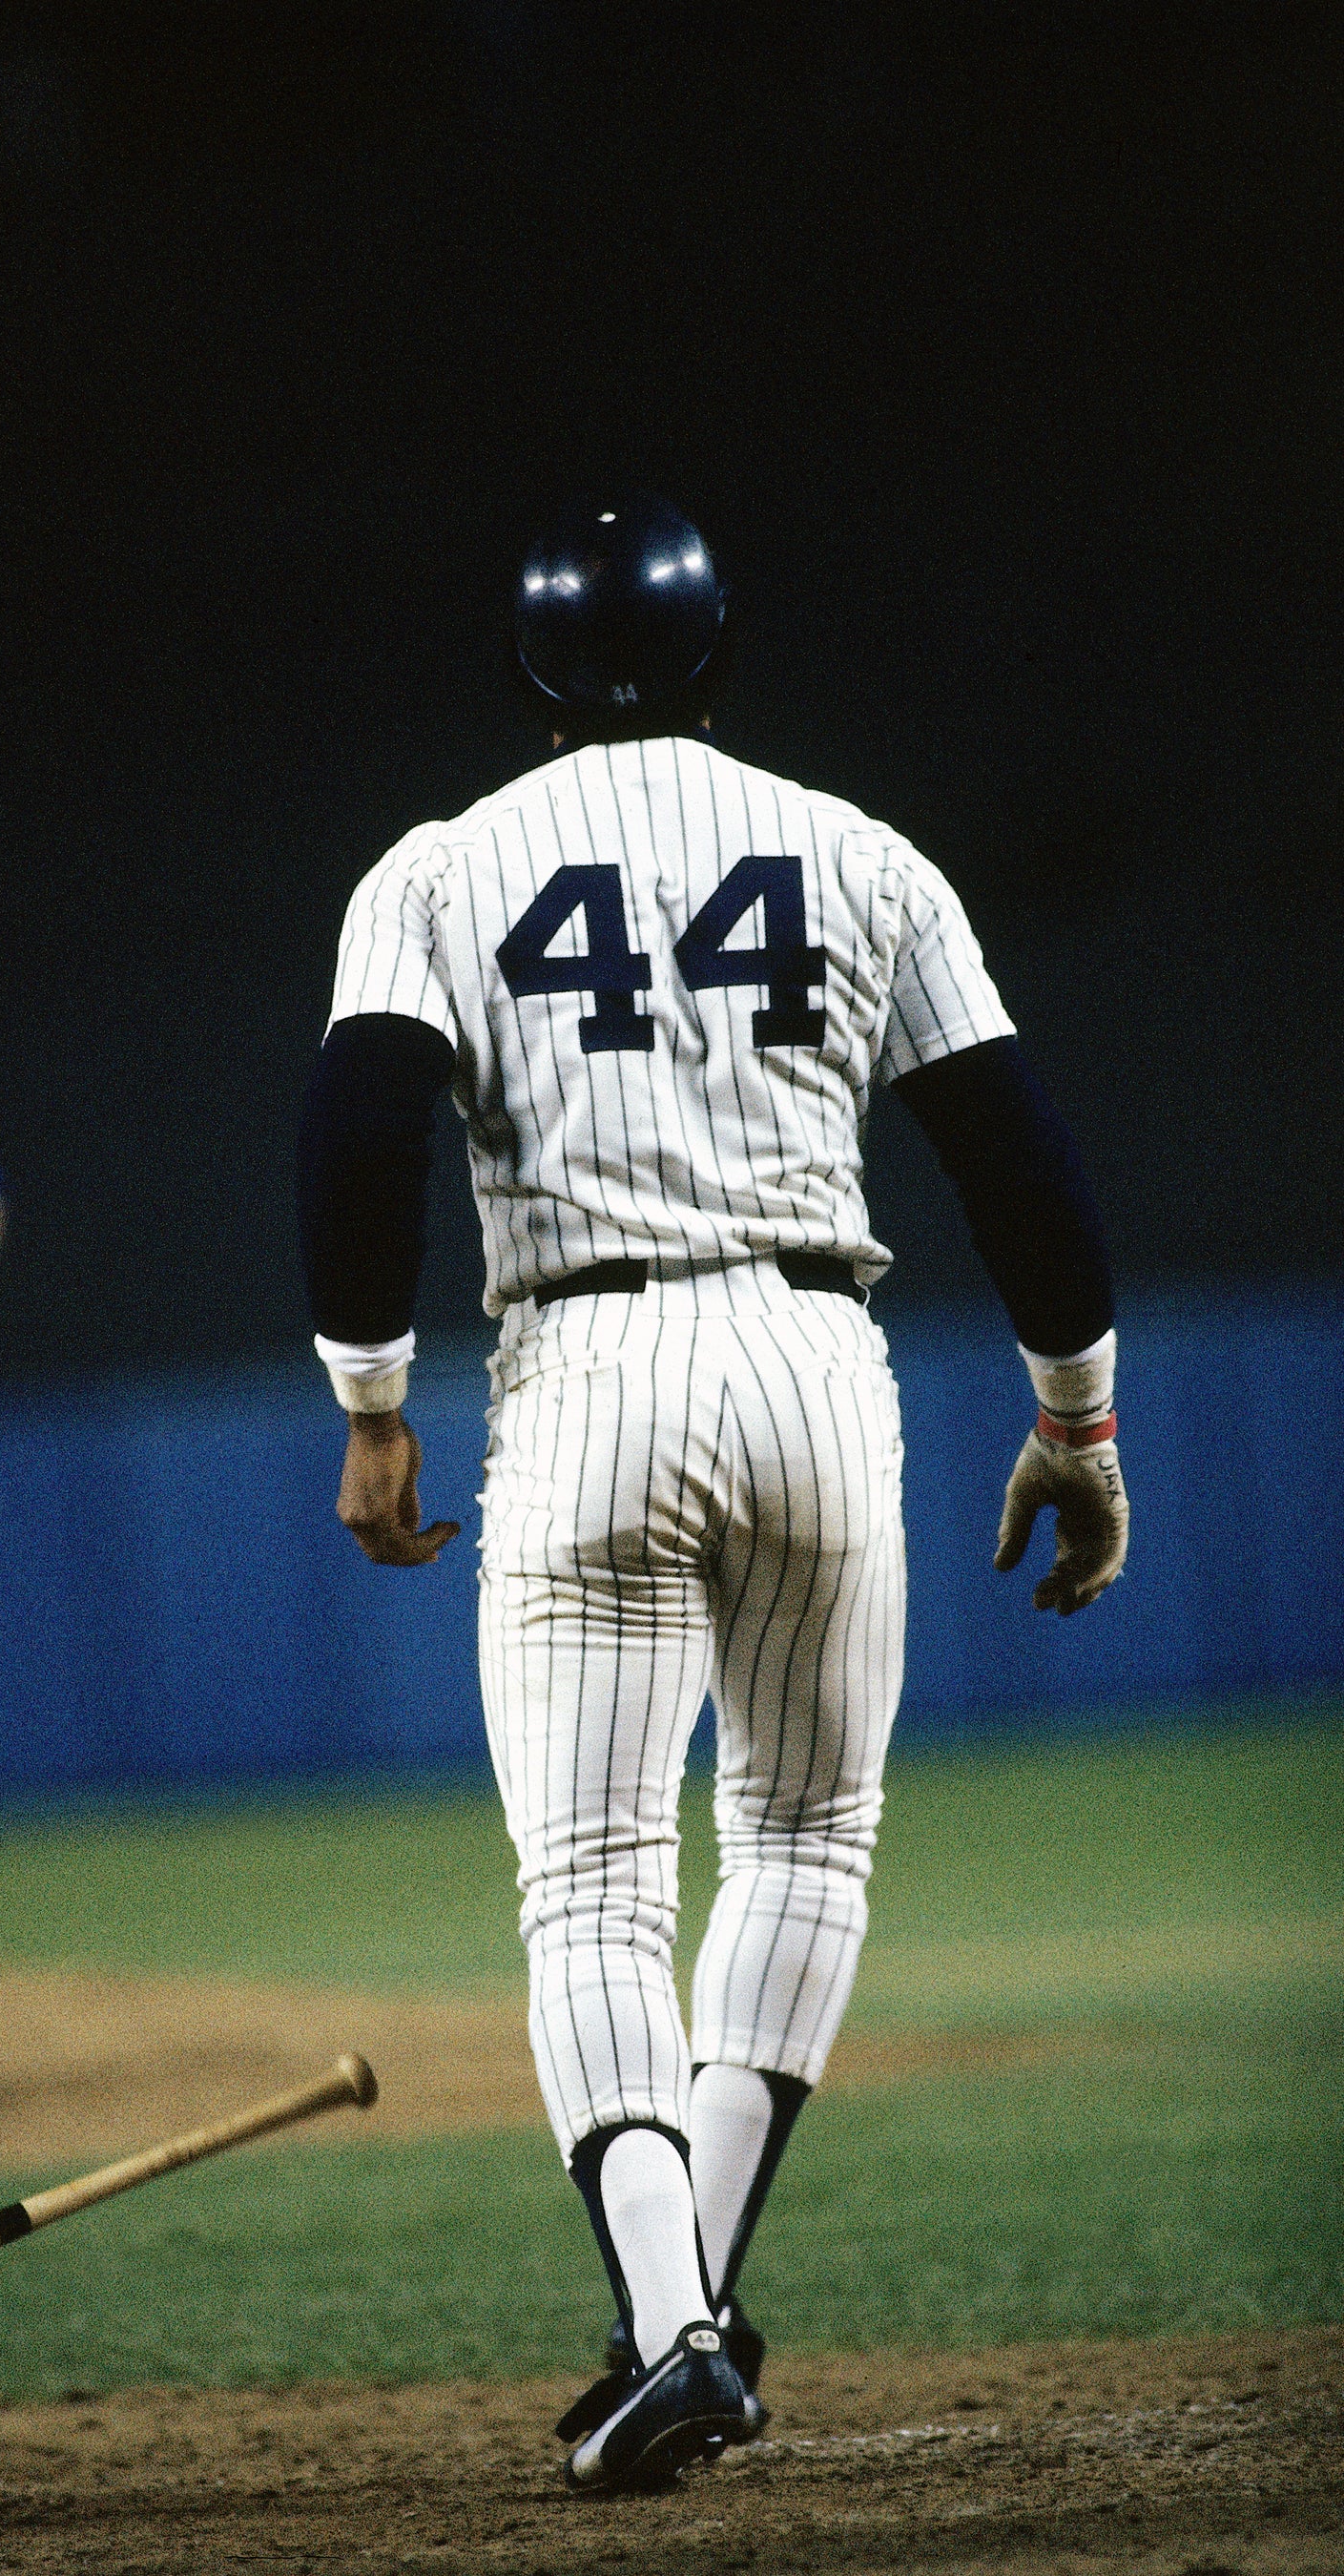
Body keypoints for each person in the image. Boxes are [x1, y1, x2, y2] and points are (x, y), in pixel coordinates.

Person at [299, 494, 1128, 2493]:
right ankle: (687, 2319)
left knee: (592, 1886)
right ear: (718, 646)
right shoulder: (860, 853)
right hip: (818, 1361)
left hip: (584, 1369)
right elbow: (1014, 1152)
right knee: (807, 1845)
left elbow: (361, 1130)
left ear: (530, 663)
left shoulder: (441, 865)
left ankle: (672, 2320)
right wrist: (1078, 1424)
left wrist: (374, 1402)